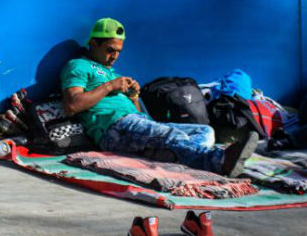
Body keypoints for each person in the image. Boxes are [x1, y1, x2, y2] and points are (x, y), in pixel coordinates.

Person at [60, 18, 258, 177]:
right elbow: (72, 105)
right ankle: (219, 161)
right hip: (113, 128)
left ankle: (167, 156)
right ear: (94, 43)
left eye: (118, 52)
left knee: (204, 131)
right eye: (109, 50)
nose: (114, 57)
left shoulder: (111, 71)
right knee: (174, 136)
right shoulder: (78, 65)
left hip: (134, 124)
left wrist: (133, 95)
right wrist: (110, 86)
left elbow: (136, 113)